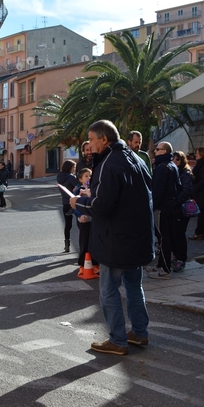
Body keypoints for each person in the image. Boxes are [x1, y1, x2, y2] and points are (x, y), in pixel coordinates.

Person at [70, 120, 154, 356]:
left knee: (108, 290)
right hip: (137, 237)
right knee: (134, 287)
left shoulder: (108, 163)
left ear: (104, 139)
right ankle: (139, 332)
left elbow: (103, 206)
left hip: (115, 240)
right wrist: (94, 194)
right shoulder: (135, 158)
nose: (89, 145)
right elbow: (133, 194)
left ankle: (117, 340)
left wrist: (81, 202)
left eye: (92, 139)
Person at [149, 142, 179, 278]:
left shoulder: (162, 167)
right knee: (164, 237)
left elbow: (158, 190)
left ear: (164, 152)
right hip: (169, 206)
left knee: (163, 238)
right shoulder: (172, 165)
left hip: (162, 208)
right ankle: (160, 265)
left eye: (158, 149)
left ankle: (165, 269)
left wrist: (152, 206)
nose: (155, 151)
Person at [171, 151, 193, 272]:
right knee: (173, 233)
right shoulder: (173, 172)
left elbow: (187, 191)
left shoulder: (185, 174)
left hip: (181, 208)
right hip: (174, 208)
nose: (175, 161)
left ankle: (181, 259)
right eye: (173, 159)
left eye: (177, 160)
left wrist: (176, 202)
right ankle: (176, 256)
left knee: (179, 233)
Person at [72, 168, 96, 277]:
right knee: (84, 242)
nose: (89, 178)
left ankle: (95, 263)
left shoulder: (94, 190)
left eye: (90, 176)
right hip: (83, 221)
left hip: (94, 221)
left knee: (94, 242)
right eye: (86, 176)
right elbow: (74, 206)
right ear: (80, 179)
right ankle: (82, 264)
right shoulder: (78, 191)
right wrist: (80, 215)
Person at [57, 160, 78, 253]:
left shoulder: (59, 177)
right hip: (74, 203)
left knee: (68, 225)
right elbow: (79, 187)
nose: (74, 169)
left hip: (65, 203)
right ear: (70, 168)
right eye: (73, 167)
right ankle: (82, 244)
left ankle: (67, 245)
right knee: (81, 224)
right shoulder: (71, 177)